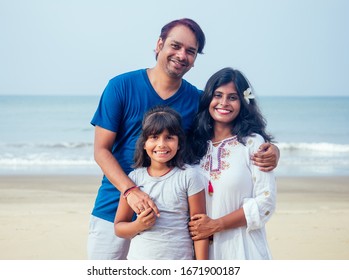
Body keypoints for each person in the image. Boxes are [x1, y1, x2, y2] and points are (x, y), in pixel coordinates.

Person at [88, 18, 279, 260]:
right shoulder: (120, 87)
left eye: (191, 51)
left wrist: (271, 149)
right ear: (159, 44)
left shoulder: (197, 100)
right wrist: (131, 191)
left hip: (171, 225)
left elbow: (226, 130)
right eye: (175, 46)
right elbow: (101, 151)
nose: (181, 55)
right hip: (113, 210)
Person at [187, 67, 277, 259]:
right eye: (218, 95)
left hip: (242, 249)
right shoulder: (193, 144)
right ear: (208, 99)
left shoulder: (253, 144)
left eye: (233, 97)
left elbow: (266, 203)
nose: (224, 103)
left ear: (244, 102)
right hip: (199, 250)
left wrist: (216, 225)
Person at [114, 106, 208, 260]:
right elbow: (119, 228)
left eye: (169, 137)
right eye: (154, 137)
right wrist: (139, 225)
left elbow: (200, 229)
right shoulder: (135, 178)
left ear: (179, 143)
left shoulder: (189, 176)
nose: (161, 144)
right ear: (144, 143)